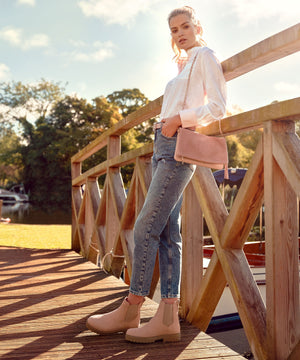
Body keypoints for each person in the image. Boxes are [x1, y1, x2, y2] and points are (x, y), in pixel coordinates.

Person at [86, 6, 226, 343]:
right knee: (166, 234)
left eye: (185, 26)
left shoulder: (205, 55)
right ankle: (167, 317)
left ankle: (132, 306)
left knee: (145, 227)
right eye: (174, 29)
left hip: (178, 147)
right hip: (164, 148)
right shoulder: (185, 64)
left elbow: (219, 107)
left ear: (198, 27)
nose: (180, 33)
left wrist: (178, 118)